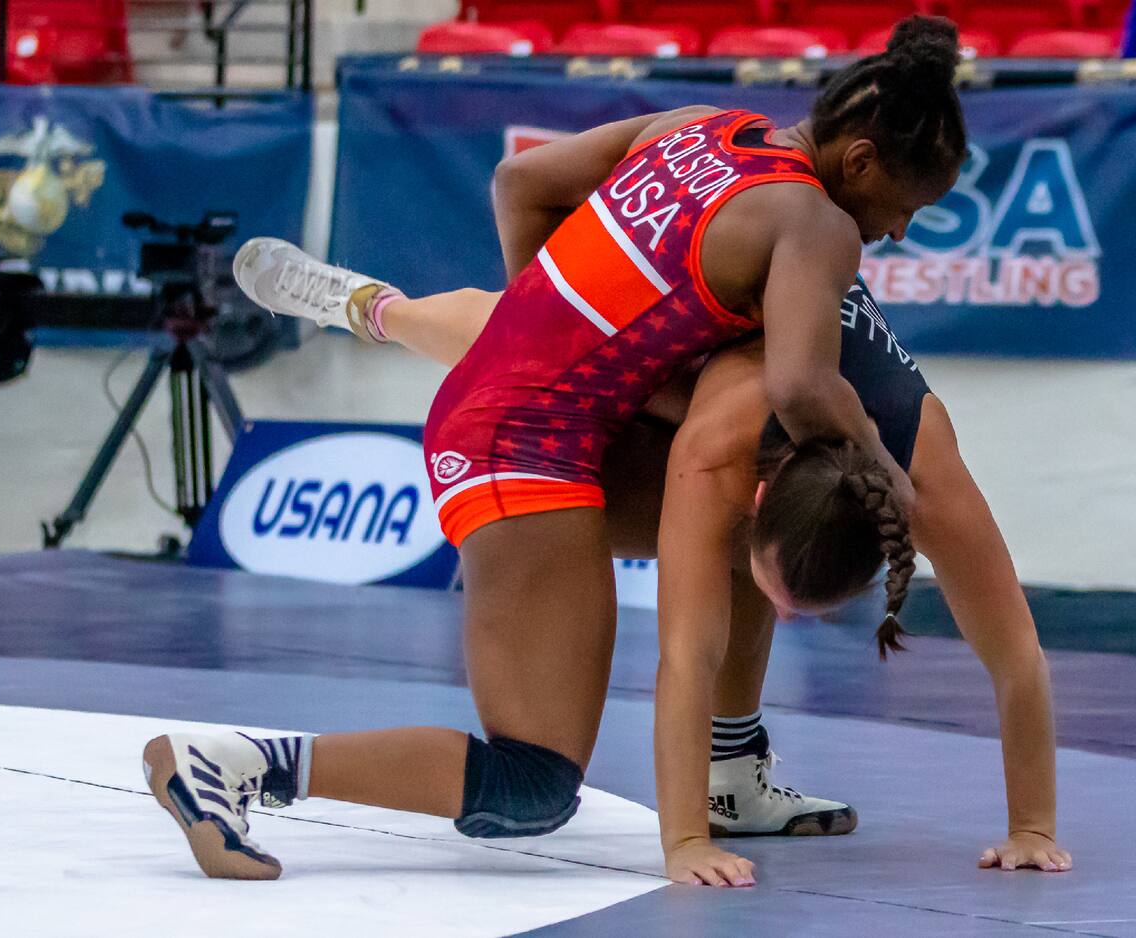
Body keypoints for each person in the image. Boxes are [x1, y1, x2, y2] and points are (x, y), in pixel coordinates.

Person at [142, 16, 971, 884]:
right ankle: (232, 764)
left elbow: (519, 181)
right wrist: (887, 469)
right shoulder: (814, 222)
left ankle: (729, 771)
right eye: (905, 209)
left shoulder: (698, 125)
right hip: (522, 444)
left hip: (532, 411)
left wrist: (548, 314)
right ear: (863, 163)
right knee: (530, 784)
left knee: (739, 509)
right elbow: (806, 388)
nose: (899, 233)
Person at [213, 253, 1072, 884]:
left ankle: (730, 775)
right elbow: (684, 655)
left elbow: (1017, 656)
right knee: (537, 335)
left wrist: (1032, 825)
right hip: (663, 319)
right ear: (760, 492)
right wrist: (684, 843)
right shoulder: (717, 449)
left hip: (744, 345)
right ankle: (373, 307)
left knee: (640, 414)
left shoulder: (931, 479)